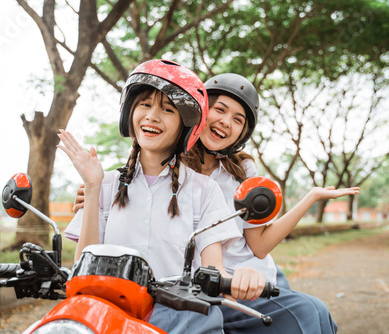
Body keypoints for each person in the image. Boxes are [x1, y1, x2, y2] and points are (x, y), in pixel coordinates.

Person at [73, 72, 358, 333]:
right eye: (219, 110)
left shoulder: (240, 170)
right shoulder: (160, 160)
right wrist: (94, 192)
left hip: (241, 277)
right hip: (186, 284)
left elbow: (257, 244)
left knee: (312, 315)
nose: (225, 122)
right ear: (197, 113)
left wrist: (311, 197)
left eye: (238, 120)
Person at [59, 59, 267, 334]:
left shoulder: (204, 191)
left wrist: (242, 277)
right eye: (145, 104)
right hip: (109, 317)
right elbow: (81, 269)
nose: (152, 116)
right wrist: (94, 185)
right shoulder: (104, 183)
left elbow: (214, 271)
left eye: (168, 110)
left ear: (186, 126)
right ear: (129, 112)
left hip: (179, 319)